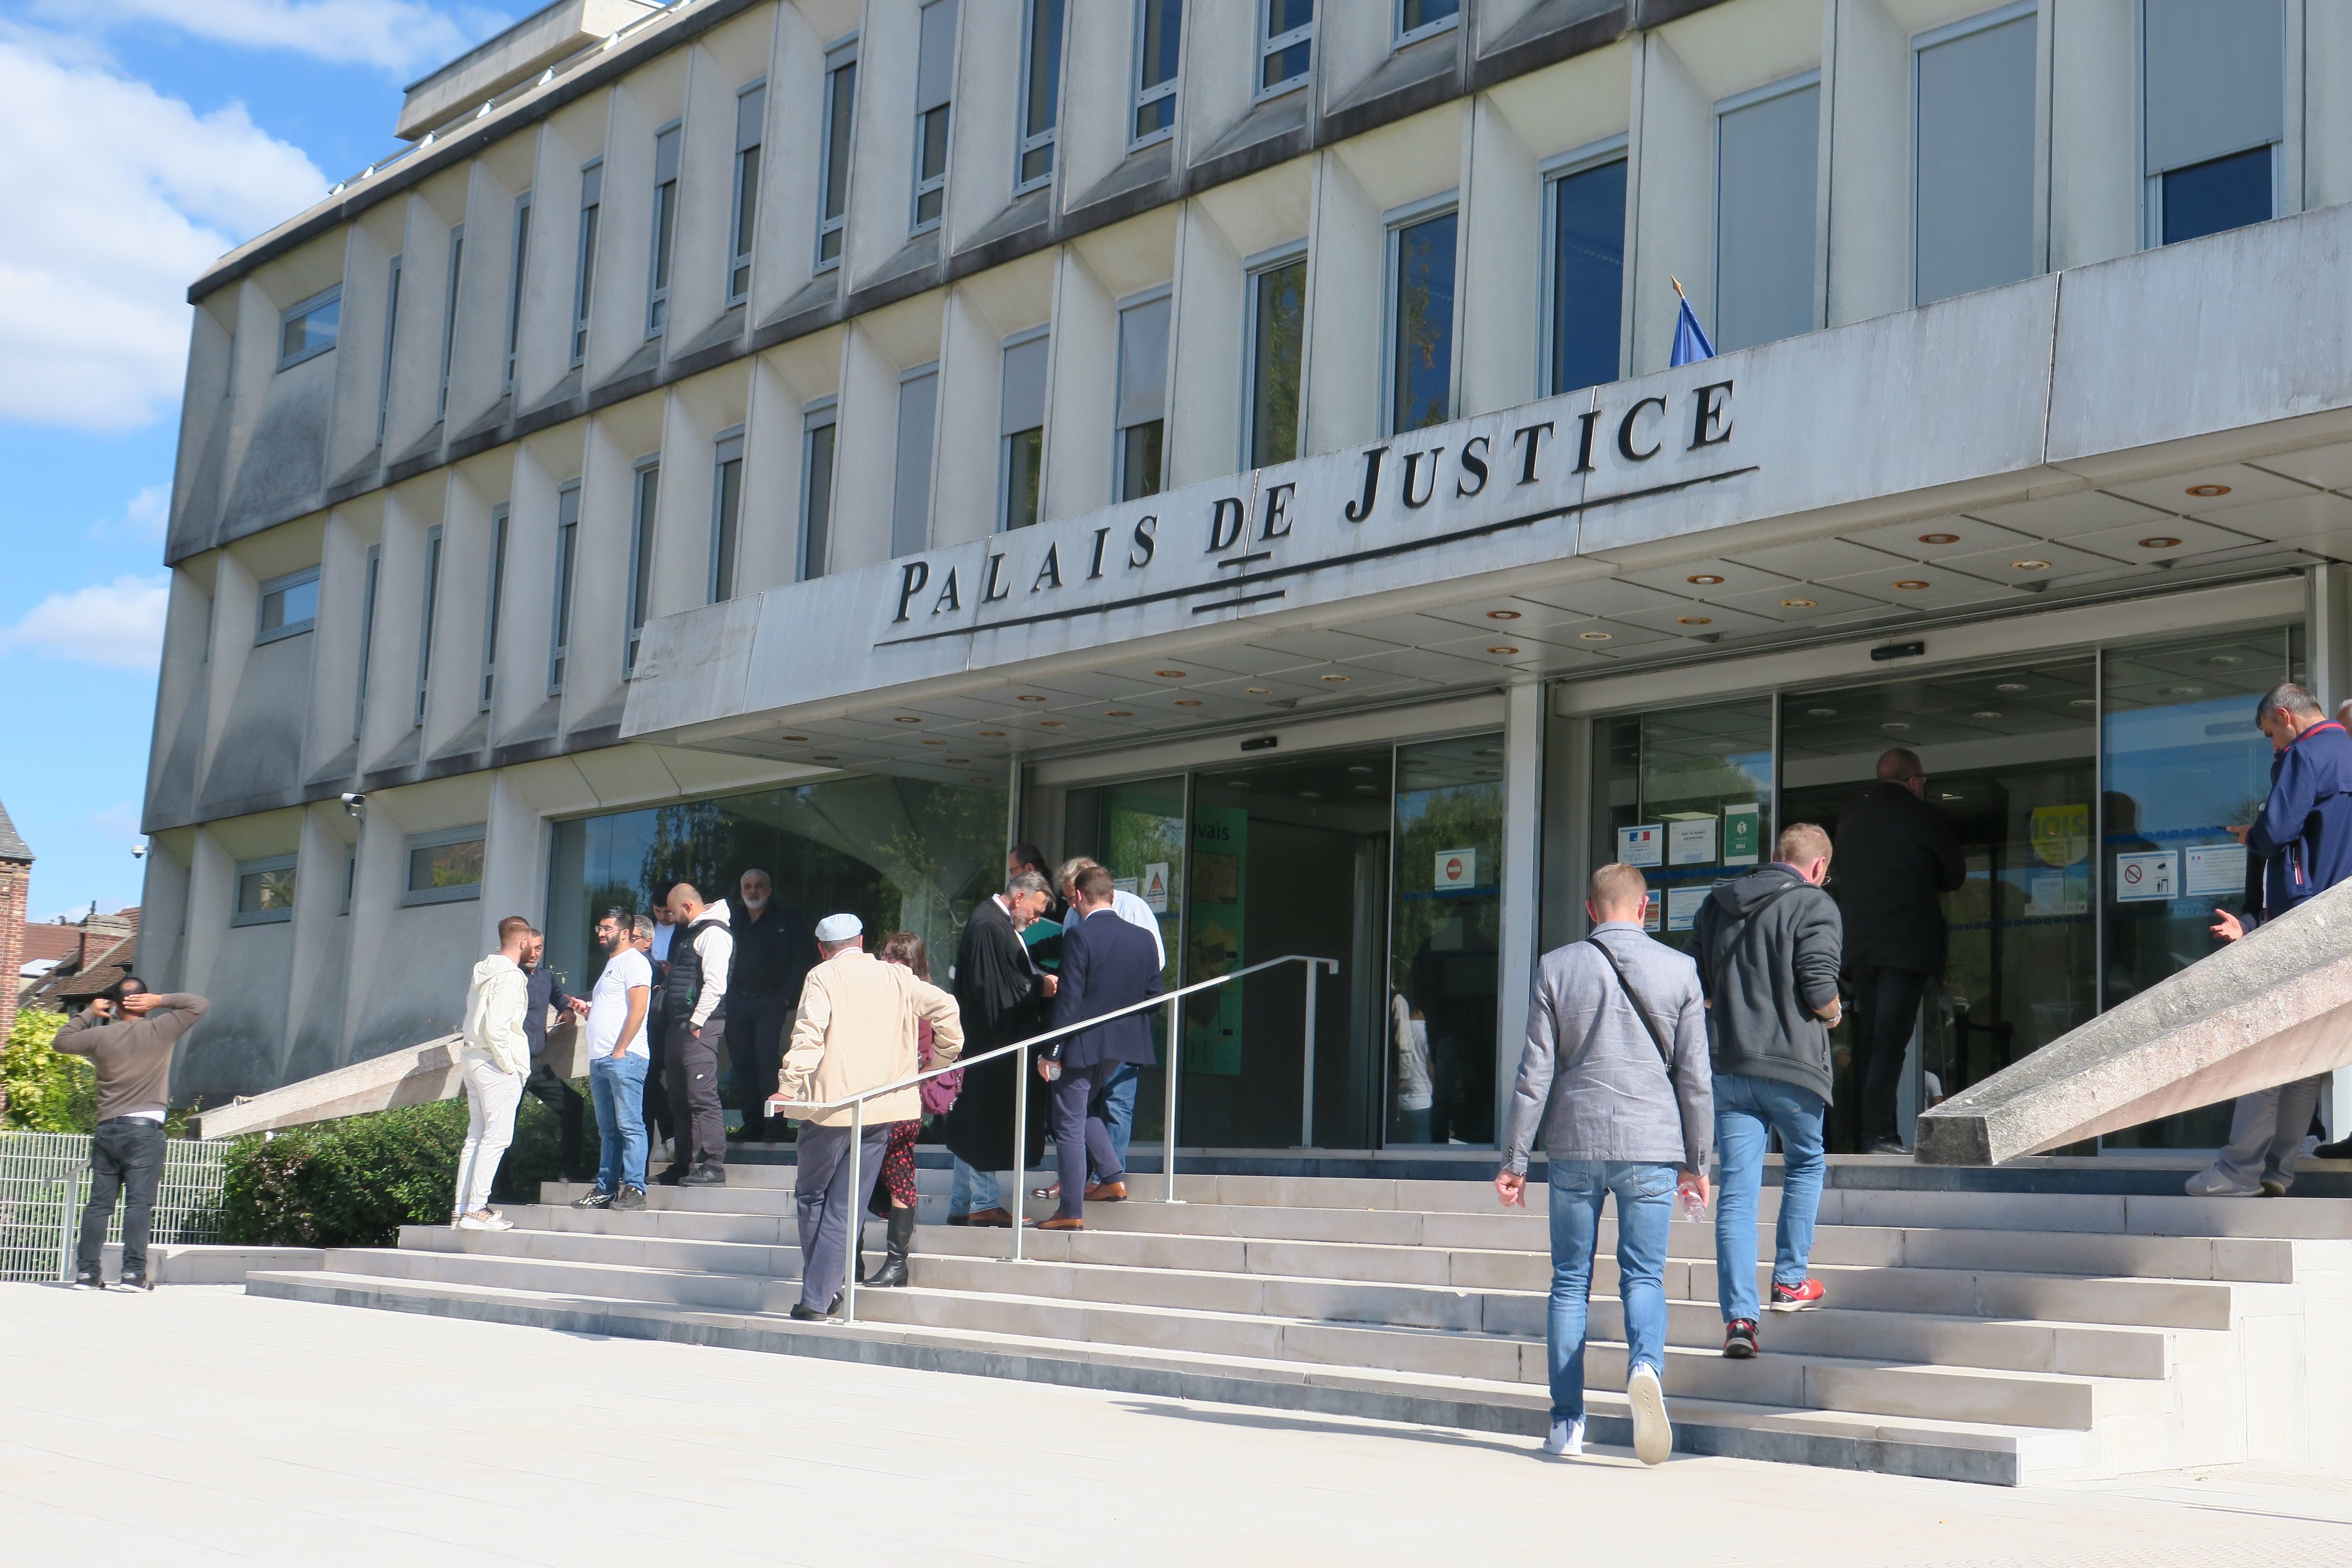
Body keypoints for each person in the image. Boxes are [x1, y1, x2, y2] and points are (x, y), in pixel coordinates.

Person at [1497, 863, 1710, 1465]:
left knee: (1569, 1282)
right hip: (1650, 1141)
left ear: (1591, 910)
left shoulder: (1556, 967)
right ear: (1644, 910)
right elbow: (1696, 1078)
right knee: (1643, 1277)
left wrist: (1515, 1159)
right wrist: (1697, 1162)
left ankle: (1566, 1424)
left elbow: (1533, 1073)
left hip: (1573, 1143)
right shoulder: (1680, 971)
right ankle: (1644, 1364)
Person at [2191, 682, 2352, 1195]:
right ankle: (2278, 1172)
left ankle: (2237, 1172)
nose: (2273, 747)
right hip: (2340, 919)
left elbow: (2277, 831)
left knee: (2265, 1050)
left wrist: (2252, 835)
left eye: (2270, 734)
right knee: (2306, 1058)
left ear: (2285, 716)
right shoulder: (2348, 752)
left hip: (2302, 920)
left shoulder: (2303, 755)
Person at [1691, 823, 1844, 1360]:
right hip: (1793, 1067)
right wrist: (1833, 1014)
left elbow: (1698, 986)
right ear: (1818, 867)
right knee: (1805, 1163)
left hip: (1730, 1067)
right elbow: (1819, 985)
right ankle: (1788, 1282)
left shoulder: (1716, 905)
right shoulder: (1814, 904)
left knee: (1737, 1191)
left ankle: (1738, 1319)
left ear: (1775, 856)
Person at [774, 913, 963, 1320]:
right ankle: (820, 1294)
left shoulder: (822, 976)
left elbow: (808, 1032)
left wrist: (788, 1084)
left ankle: (819, 1295)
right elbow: (947, 1007)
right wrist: (940, 1060)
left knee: (812, 1197)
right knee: (847, 1204)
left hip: (830, 1108)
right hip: (884, 1106)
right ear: (861, 940)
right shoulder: (897, 976)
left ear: (823, 948)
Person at [1832, 748, 1965, 1153]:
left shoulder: (1850, 821)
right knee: (1891, 1043)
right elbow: (1954, 875)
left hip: (1860, 949)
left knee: (1871, 1042)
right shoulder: (1926, 817)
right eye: (1922, 780)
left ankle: (1868, 1132)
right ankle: (1878, 1135)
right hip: (1905, 948)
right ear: (1913, 781)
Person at [54, 979, 207, 1290]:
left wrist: (90, 1012)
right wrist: (160, 999)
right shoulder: (162, 1029)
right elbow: (199, 1004)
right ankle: (134, 1274)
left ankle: (86, 1273)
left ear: (116, 1003)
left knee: (99, 1204)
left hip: (107, 1129)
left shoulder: (99, 1035)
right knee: (139, 1203)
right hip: (144, 1131)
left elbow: (62, 1041)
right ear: (143, 1001)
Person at [1040, 865, 1165, 1230]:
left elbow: (1069, 1000)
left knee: (1067, 1122)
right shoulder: (1143, 938)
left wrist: (1052, 1051)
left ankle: (1071, 1210)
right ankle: (1112, 1176)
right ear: (1112, 894)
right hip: (1122, 1046)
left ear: (1079, 896)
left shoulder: (1080, 936)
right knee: (1086, 1109)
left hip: (1082, 1044)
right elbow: (1154, 999)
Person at [940, 870, 1057, 1226]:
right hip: (991, 1042)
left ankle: (964, 1203)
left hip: (990, 1042)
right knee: (983, 1120)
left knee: (974, 1120)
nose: (1036, 920)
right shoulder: (990, 925)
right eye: (1036, 911)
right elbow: (998, 988)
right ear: (1020, 897)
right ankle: (984, 1202)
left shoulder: (994, 923)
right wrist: (1041, 987)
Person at [865, 930, 957, 1287]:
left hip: (900, 1101)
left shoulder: (917, 998)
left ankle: (896, 1262)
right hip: (874, 1099)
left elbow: (928, 1045)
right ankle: (859, 1260)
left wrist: (932, 1070)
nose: (887, 962)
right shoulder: (883, 993)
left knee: (898, 1173)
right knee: (864, 1174)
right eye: (885, 954)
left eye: (896, 956)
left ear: (912, 963)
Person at [452, 916, 534, 1231]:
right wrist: (510, 1065)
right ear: (523, 942)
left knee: (476, 1136)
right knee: (496, 1137)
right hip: (493, 1062)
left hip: (473, 1058)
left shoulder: (483, 970)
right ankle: (475, 1209)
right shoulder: (511, 977)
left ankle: (462, 1210)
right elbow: (498, 1028)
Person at [571, 908, 653, 1211]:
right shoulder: (612, 965)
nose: (600, 933)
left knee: (630, 1125)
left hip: (624, 1058)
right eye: (599, 928)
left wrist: (620, 1049)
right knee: (608, 1130)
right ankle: (606, 1188)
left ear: (624, 932)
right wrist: (589, 1010)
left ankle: (635, 1188)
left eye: (606, 928)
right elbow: (615, 1009)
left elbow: (638, 1009)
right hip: (601, 1059)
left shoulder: (635, 962)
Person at [728, 868, 817, 1146]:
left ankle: (775, 1124)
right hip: (738, 1001)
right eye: (748, 887)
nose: (753, 892)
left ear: (769, 889)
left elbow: (804, 958)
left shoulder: (787, 919)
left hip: (771, 1001)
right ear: (742, 892)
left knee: (768, 1062)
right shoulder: (733, 920)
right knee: (742, 1063)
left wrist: (787, 997)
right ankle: (752, 1123)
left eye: (759, 886)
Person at [658, 883, 734, 1186]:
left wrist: (697, 1020)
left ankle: (714, 1164)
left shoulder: (714, 933)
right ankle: (684, 1164)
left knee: (702, 1095)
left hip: (699, 1025)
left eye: (673, 911)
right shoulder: (693, 932)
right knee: (679, 1097)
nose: (670, 917)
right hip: (680, 1024)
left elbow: (716, 984)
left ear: (688, 906)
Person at [519, 928, 589, 1180]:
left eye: (539, 949)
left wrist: (567, 1010)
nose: (534, 954)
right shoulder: (510, 978)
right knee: (502, 1128)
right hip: (510, 1064)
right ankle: (497, 1193)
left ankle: (570, 1173)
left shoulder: (546, 978)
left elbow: (561, 1000)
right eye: (529, 948)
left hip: (533, 1065)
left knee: (573, 1104)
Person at [640, 898, 676, 1167]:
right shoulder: (633, 964)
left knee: (649, 1086)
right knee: (649, 1088)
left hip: (653, 1034)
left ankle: (671, 1136)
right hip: (644, 1037)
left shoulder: (647, 967)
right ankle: (668, 1137)